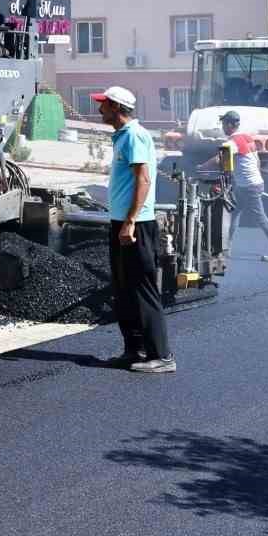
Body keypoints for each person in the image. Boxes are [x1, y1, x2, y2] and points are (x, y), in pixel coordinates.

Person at [92, 85, 175, 375]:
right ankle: (135, 350)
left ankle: (162, 355)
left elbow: (144, 180)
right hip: (122, 222)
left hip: (136, 225)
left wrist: (130, 221)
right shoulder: (122, 136)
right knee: (124, 290)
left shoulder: (134, 135)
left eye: (104, 104)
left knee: (142, 289)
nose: (99, 108)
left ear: (116, 107)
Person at [216, 111, 268, 263]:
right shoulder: (247, 138)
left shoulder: (231, 143)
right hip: (249, 184)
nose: (222, 127)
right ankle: (226, 249)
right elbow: (256, 161)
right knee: (234, 214)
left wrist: (201, 166)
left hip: (249, 187)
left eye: (224, 124)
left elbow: (220, 160)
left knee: (260, 218)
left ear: (230, 125)